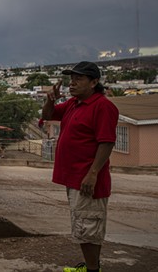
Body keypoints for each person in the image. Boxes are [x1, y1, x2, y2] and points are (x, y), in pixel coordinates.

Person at [42, 61, 119, 272]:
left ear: (94, 82)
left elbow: (107, 141)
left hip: (88, 179)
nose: (72, 82)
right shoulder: (74, 103)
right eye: (71, 78)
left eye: (79, 78)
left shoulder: (103, 106)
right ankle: (90, 266)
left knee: (89, 226)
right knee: (82, 225)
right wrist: (50, 99)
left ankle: (93, 269)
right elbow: (48, 116)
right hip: (75, 177)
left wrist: (93, 174)